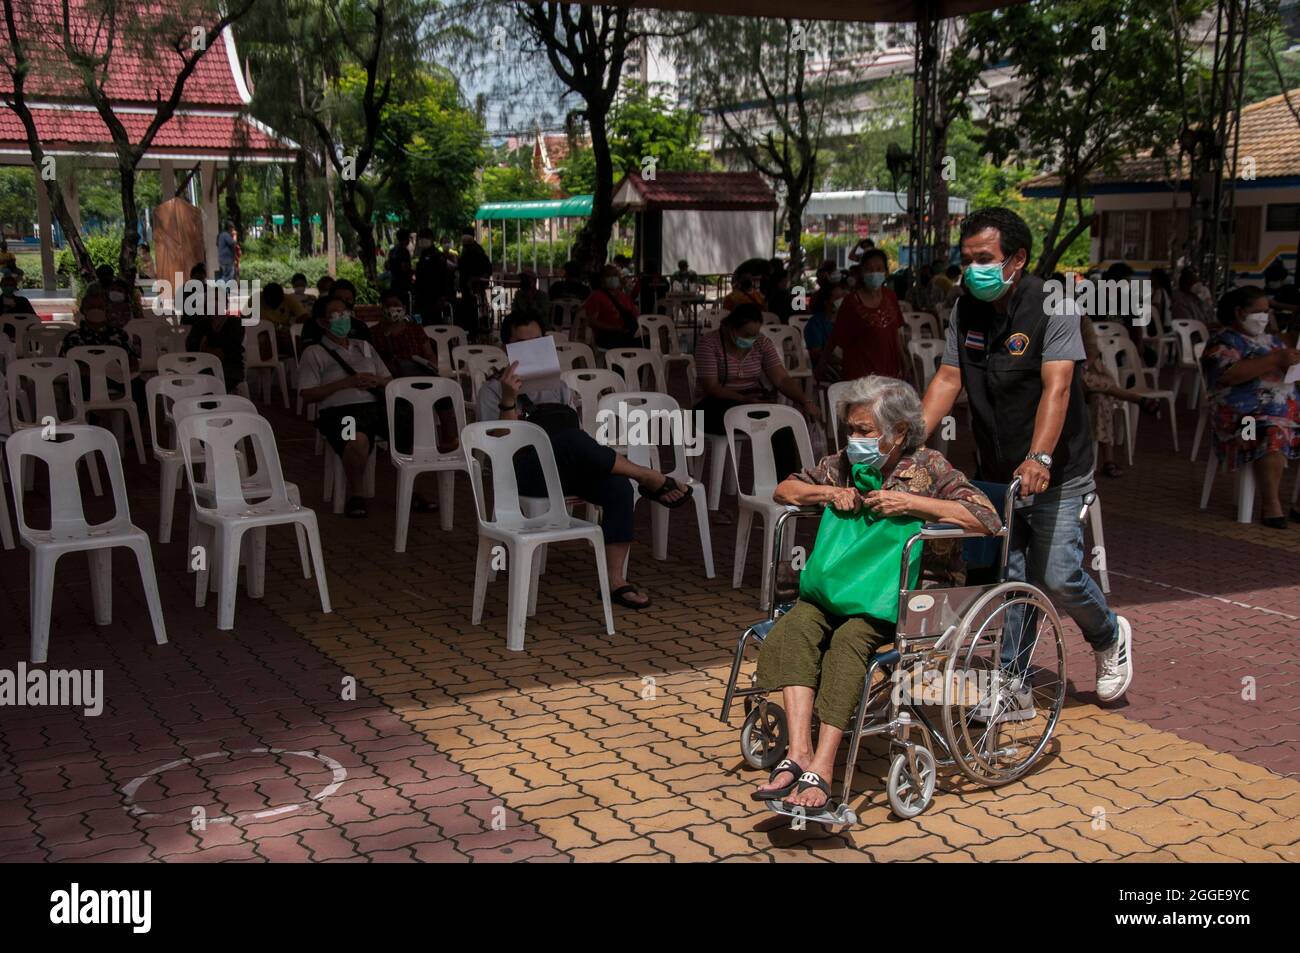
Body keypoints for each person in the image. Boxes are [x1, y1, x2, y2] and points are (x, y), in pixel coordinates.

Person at [750, 376, 1000, 810]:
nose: (855, 440)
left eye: (865, 431)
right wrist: (830, 493)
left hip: (907, 598)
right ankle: (798, 753)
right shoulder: (843, 464)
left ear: (899, 431)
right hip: (839, 590)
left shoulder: (930, 468)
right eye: (851, 430)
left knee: (848, 642)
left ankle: (823, 767)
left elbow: (987, 519)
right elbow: (784, 489)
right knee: (794, 628)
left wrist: (915, 505)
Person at [920, 206, 1133, 705]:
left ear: (1017, 258)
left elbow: (1056, 388)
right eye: (966, 260)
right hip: (996, 466)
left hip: (1056, 467)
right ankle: (1011, 676)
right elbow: (948, 379)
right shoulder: (965, 307)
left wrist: (1039, 456)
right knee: (1009, 574)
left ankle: (1108, 636)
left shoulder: (1055, 305)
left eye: (984, 258)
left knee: (1057, 574)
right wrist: (908, 444)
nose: (973, 270)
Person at [478, 312, 691, 609]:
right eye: (520, 343)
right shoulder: (491, 389)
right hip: (520, 473)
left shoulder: (559, 386)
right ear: (506, 347)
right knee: (572, 439)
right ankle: (647, 476)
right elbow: (499, 443)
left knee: (618, 487)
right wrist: (508, 398)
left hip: (562, 468)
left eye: (536, 342)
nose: (529, 348)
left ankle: (616, 581)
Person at [1202, 285, 1300, 527]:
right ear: (1239, 312)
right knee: (1269, 430)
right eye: (1259, 311)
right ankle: (1271, 505)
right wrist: (1274, 360)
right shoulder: (1223, 341)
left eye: (1267, 312)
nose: (1264, 317)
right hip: (1239, 419)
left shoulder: (1271, 340)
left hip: (1284, 410)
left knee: (1279, 424)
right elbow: (1229, 375)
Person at [694, 302, 822, 484]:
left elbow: (782, 379)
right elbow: (711, 387)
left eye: (755, 334)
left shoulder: (761, 343)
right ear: (729, 328)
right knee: (760, 421)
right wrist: (744, 400)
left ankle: (787, 484)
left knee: (782, 425)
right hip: (712, 406)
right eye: (746, 335)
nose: (751, 339)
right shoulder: (709, 343)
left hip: (749, 403)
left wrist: (805, 400)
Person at [297, 297, 394, 518]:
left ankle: (413, 489)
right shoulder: (314, 353)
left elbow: (389, 380)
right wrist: (345, 383)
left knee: (410, 428)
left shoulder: (365, 347)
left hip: (374, 409)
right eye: (336, 315)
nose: (343, 319)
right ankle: (357, 494)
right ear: (323, 322)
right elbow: (307, 394)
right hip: (341, 413)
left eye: (345, 313)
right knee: (355, 441)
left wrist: (375, 381)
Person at [818, 248, 904, 381]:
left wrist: (903, 362)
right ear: (862, 273)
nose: (874, 273)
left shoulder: (890, 297)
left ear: (886, 272)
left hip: (889, 371)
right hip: (860, 373)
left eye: (879, 268)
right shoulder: (852, 302)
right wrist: (821, 365)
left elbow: (895, 334)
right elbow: (835, 336)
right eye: (869, 269)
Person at [185, 299, 245, 393]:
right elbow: (192, 350)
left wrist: (206, 349)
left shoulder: (235, 323)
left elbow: (226, 351)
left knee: (213, 385)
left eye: (218, 300)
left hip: (229, 369)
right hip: (202, 368)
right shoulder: (200, 324)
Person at [583, 264, 640, 349]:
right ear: (602, 279)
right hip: (606, 337)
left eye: (615, 275)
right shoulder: (596, 296)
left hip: (627, 334)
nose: (612, 278)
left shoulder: (624, 297)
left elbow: (636, 316)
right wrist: (614, 328)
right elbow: (592, 321)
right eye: (609, 276)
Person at [303, 280, 371, 346]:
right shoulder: (312, 324)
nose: (343, 303)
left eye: (348, 299)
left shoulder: (360, 326)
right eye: (339, 298)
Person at [804, 275, 844, 379]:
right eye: (837, 298)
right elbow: (816, 353)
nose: (841, 301)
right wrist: (842, 361)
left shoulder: (846, 321)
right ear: (826, 302)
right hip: (828, 369)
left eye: (842, 297)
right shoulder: (815, 323)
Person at [414, 227, 454, 324]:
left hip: (435, 296)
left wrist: (443, 296)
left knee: (434, 322)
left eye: (424, 238)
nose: (421, 241)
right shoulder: (423, 255)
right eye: (420, 238)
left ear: (431, 239)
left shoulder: (437, 256)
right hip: (423, 296)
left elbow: (444, 277)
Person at [505, 270, 550, 342]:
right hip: (522, 327)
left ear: (534, 282)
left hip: (539, 326)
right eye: (523, 280)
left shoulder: (542, 296)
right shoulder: (519, 294)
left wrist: (531, 301)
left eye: (527, 280)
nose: (524, 282)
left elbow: (543, 313)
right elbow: (515, 311)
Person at [385, 228, 413, 305]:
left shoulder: (392, 250)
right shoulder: (404, 251)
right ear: (406, 238)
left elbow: (387, 265)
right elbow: (405, 267)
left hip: (394, 283)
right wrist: (413, 271)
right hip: (403, 285)